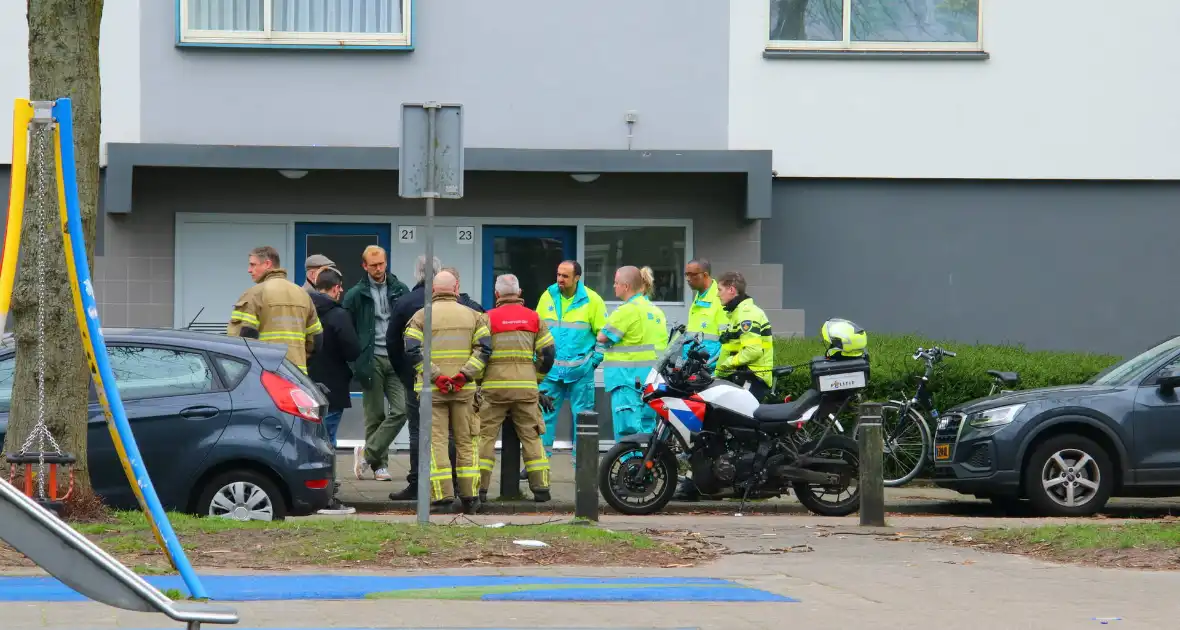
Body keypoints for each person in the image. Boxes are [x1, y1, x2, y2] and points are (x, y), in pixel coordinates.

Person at [404, 270, 492, 514]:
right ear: (456, 288)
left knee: (437, 444)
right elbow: (484, 350)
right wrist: (464, 376)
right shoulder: (476, 316)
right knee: (467, 443)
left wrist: (437, 376)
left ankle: (442, 497)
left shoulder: (420, 317)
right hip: (465, 392)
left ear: (433, 290)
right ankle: (470, 497)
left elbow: (412, 351)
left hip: (434, 391)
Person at [477, 274, 556, 503]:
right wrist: (535, 378)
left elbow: (479, 355)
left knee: (485, 438)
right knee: (531, 438)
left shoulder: (486, 319)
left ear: (497, 294)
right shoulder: (534, 318)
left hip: (494, 389)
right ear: (519, 293)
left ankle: (480, 490)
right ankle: (541, 489)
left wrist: (481, 381)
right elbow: (548, 354)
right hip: (525, 388)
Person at [343, 245, 410, 482]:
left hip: (396, 357)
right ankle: (379, 466)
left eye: (382, 263)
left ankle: (368, 453)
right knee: (375, 414)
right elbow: (346, 330)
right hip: (370, 359)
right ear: (364, 266)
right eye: (373, 265)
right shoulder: (355, 295)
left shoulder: (400, 290)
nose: (379, 268)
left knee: (402, 410)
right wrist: (354, 362)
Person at [534, 260, 606, 460]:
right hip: (550, 372)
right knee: (543, 419)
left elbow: (603, 334)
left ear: (577, 278)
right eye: (558, 275)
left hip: (580, 372)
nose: (560, 280)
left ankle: (583, 470)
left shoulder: (593, 300)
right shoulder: (547, 296)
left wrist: (595, 360)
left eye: (565, 276)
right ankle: (539, 466)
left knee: (583, 423)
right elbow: (536, 330)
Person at [306, 268, 360, 516]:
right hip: (333, 386)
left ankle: (312, 486)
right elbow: (353, 349)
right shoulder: (338, 315)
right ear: (337, 288)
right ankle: (327, 493)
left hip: (304, 384)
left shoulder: (304, 309)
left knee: (310, 437)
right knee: (328, 440)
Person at [595, 266, 667, 439]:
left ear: (626, 286)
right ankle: (646, 465)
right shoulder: (656, 311)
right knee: (647, 429)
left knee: (627, 432)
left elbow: (602, 337)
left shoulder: (626, 310)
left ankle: (631, 465)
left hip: (627, 380)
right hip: (650, 381)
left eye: (616, 283)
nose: (614, 286)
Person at [227, 246, 322, 374]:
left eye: (253, 265)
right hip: (297, 375)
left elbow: (240, 340)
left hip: (265, 374)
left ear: (267, 264)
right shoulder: (303, 295)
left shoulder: (254, 294)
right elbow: (316, 340)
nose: (249, 270)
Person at [713, 271, 774, 401]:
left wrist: (726, 364)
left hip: (753, 377)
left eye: (720, 290)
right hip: (743, 374)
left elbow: (753, 351)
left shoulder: (746, 314)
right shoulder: (736, 313)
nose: (718, 294)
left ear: (731, 290)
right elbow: (731, 348)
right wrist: (717, 373)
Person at [683, 258, 726, 365]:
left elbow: (727, 342)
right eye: (686, 274)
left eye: (692, 274)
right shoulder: (699, 297)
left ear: (705, 275)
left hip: (708, 367)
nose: (688, 279)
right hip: (692, 365)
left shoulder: (719, 298)